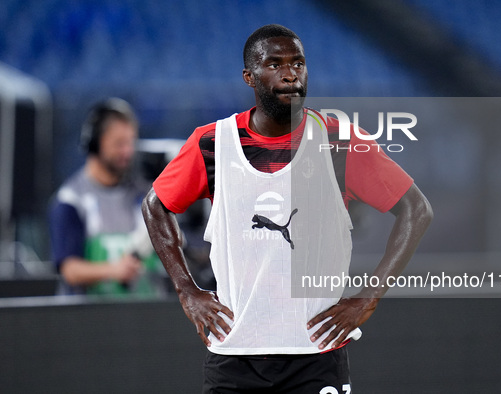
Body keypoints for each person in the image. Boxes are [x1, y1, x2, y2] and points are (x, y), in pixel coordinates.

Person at [142, 24, 433, 392]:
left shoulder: (339, 142)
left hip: (316, 353)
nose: (290, 72)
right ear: (249, 76)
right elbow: (155, 206)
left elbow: (417, 210)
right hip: (234, 353)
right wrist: (187, 291)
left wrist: (367, 299)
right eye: (274, 63)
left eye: (298, 62)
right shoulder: (212, 143)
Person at [49, 98, 163, 296]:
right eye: (119, 143)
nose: (127, 152)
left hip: (143, 317)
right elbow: (69, 269)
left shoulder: (145, 195)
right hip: (93, 319)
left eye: (130, 142)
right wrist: (114, 270)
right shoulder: (71, 199)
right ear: (95, 143)